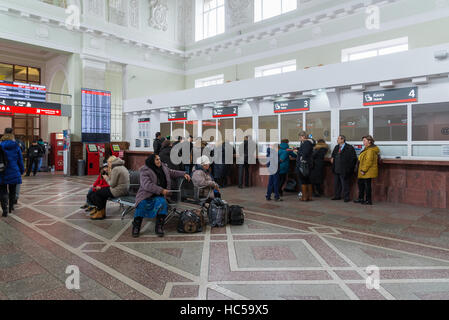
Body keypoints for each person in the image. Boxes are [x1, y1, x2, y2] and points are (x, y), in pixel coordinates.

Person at [132, 154, 190, 238]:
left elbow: (172, 172)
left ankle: (159, 226)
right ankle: (136, 226)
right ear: (152, 161)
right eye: (157, 159)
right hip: (146, 195)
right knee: (141, 204)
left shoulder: (163, 167)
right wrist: (162, 190)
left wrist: (183, 174)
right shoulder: (145, 170)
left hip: (159, 195)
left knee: (162, 203)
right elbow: (147, 185)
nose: (159, 161)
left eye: (159, 159)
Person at [89, 156, 130, 220]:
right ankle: (101, 212)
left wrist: (106, 177)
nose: (108, 165)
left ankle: (100, 212)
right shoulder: (122, 167)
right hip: (123, 190)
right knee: (101, 193)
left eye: (108, 163)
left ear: (111, 162)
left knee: (97, 194)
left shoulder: (116, 169)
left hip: (117, 191)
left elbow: (112, 184)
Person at [0, 131, 24, 216]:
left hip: (2, 171)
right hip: (14, 171)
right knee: (12, 191)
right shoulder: (16, 146)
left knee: (3, 191)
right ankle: (10, 207)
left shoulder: (1, 146)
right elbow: (20, 160)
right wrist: (22, 170)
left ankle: (4, 210)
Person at [354, 135, 380, 205]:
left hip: (366, 171)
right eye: (363, 140)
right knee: (361, 185)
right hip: (364, 171)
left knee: (367, 186)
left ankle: (368, 200)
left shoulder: (370, 150)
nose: (363, 142)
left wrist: (363, 170)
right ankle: (361, 198)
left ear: (369, 141)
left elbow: (368, 161)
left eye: (365, 140)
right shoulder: (367, 149)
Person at [331, 135, 357, 202]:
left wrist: (349, 168)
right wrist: (332, 158)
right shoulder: (337, 147)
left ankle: (346, 197)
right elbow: (333, 155)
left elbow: (353, 159)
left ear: (343, 140)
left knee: (345, 184)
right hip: (336, 168)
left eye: (338, 139)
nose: (337, 140)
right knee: (337, 184)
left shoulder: (349, 147)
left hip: (345, 169)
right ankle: (337, 196)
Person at [296, 132, 316, 201]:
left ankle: (304, 197)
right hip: (308, 164)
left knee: (303, 180)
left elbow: (305, 153)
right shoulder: (309, 143)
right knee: (308, 180)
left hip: (304, 165)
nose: (299, 138)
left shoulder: (306, 143)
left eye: (300, 137)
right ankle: (309, 196)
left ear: (303, 136)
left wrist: (298, 153)